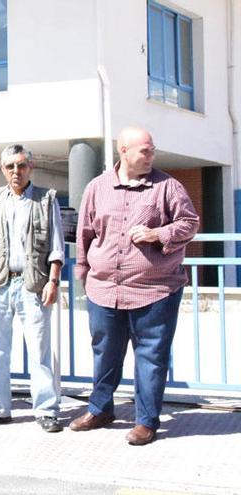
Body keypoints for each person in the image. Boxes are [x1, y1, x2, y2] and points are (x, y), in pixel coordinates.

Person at [71, 126, 199, 446]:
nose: (150, 156)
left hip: (155, 290)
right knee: (105, 353)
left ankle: (146, 421)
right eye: (144, 150)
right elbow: (85, 232)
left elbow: (189, 223)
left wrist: (159, 234)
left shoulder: (168, 186)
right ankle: (100, 409)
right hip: (104, 290)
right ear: (123, 151)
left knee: (151, 356)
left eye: (152, 150)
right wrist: (84, 271)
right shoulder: (97, 187)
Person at [0, 144, 65, 433]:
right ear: (2, 169)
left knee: (39, 350)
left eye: (21, 165)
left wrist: (53, 280)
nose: (15, 171)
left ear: (29, 168)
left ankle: (46, 410)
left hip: (33, 284)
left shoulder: (46, 199)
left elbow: (56, 248)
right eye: (10, 166)